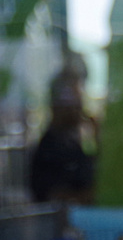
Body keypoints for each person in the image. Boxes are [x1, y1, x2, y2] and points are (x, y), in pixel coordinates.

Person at [28, 64, 98, 204]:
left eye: (79, 101)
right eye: (71, 102)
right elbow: (52, 196)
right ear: (55, 105)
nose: (77, 108)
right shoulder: (49, 147)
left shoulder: (76, 141)